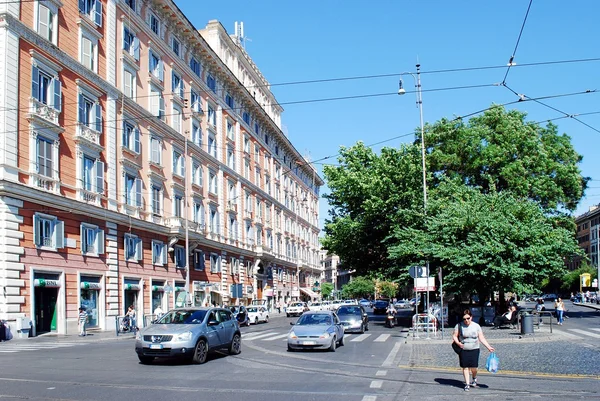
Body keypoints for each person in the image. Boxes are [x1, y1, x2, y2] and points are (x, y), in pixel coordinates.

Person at [452, 309, 494, 392]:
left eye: (468, 318)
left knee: (474, 367)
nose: (466, 320)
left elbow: (481, 338)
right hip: (463, 349)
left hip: (474, 348)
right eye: (464, 319)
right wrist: (458, 343)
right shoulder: (459, 325)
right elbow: (454, 336)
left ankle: (474, 377)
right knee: (465, 367)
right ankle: (467, 384)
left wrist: (488, 347)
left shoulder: (476, 326)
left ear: (471, 317)